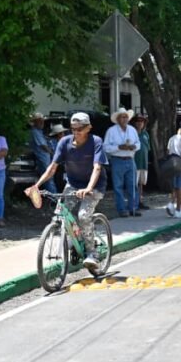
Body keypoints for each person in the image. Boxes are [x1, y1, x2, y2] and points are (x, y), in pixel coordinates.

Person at [28, 112, 107, 273]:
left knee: (83, 215)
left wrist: (88, 188)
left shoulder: (96, 141)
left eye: (80, 129)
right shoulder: (64, 142)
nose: (76, 132)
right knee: (61, 213)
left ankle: (92, 253)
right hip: (73, 184)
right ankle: (73, 241)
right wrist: (36, 185)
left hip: (94, 185)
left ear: (88, 128)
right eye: (73, 129)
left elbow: (97, 167)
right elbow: (52, 168)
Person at [104, 107, 140, 217]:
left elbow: (138, 144)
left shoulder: (132, 130)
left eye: (126, 117)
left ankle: (133, 208)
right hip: (117, 160)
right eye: (122, 117)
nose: (124, 119)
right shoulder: (111, 131)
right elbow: (105, 147)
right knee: (118, 186)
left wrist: (134, 147)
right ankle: (121, 209)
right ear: (118, 119)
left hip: (130, 159)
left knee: (132, 185)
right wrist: (119, 147)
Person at [28, 113, 56, 194]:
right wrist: (52, 153)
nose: (42, 123)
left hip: (45, 159)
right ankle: (54, 197)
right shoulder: (34, 131)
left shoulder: (40, 131)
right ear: (35, 122)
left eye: (42, 121)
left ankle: (51, 196)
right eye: (40, 121)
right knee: (48, 178)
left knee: (48, 178)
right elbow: (43, 145)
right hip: (42, 159)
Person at [132, 114, 151, 210]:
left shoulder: (146, 134)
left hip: (144, 163)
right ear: (134, 123)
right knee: (133, 184)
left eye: (142, 121)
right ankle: (133, 203)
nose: (140, 123)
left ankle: (140, 201)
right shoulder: (131, 134)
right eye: (138, 121)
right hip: (134, 163)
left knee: (141, 183)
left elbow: (148, 148)